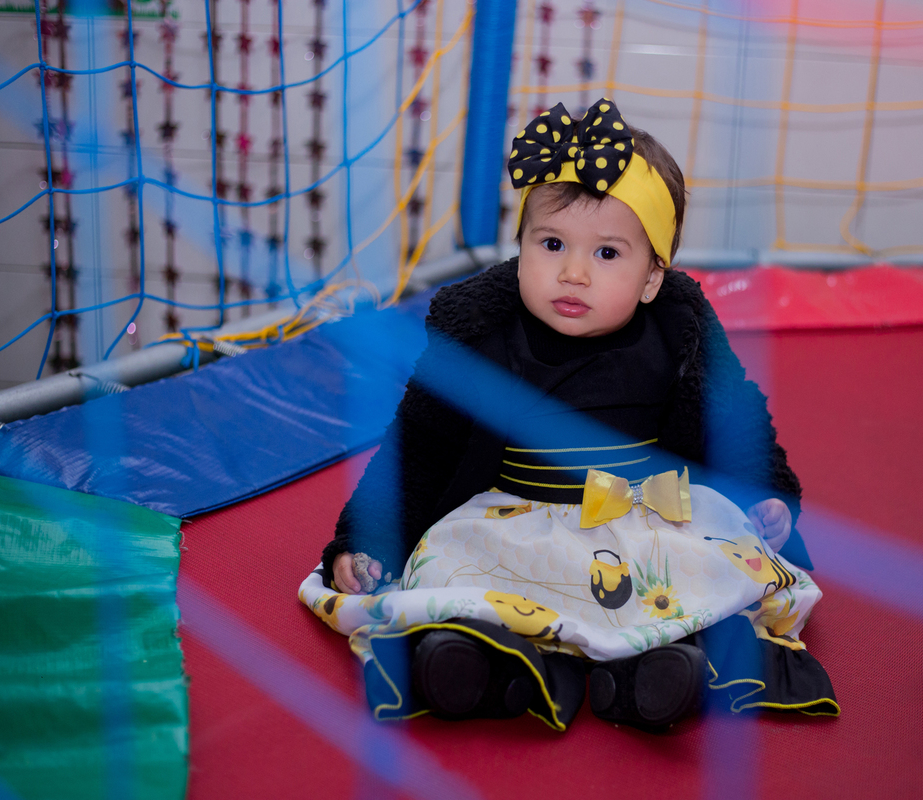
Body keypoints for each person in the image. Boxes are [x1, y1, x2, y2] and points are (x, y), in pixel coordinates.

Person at [299, 98, 837, 731]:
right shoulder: (484, 334)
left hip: (645, 519)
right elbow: (419, 445)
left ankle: (654, 669)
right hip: (517, 522)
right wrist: (367, 538)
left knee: (693, 581)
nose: (573, 272)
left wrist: (767, 495)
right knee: (453, 575)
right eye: (552, 243)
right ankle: (480, 659)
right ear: (521, 246)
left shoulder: (679, 327)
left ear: (651, 278)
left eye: (608, 254)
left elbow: (735, 417)